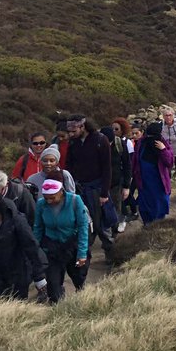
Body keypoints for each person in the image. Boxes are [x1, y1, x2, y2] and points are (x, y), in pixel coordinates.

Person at [64, 116, 114, 263]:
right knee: (83, 223)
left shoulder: (101, 140)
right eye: (69, 131)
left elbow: (107, 168)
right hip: (79, 189)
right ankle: (83, 256)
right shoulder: (73, 143)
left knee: (102, 225)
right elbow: (69, 165)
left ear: (82, 127)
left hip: (97, 188)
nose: (71, 134)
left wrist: (104, 192)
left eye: (73, 131)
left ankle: (112, 255)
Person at [33, 179, 90, 303]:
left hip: (72, 245)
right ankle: (57, 307)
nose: (49, 201)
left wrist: (82, 253)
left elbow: (83, 227)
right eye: (46, 198)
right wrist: (35, 251)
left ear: (61, 192)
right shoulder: (41, 204)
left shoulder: (75, 201)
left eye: (52, 198)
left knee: (79, 278)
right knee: (53, 285)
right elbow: (38, 227)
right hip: (52, 247)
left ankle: (83, 302)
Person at [131, 121, 173, 224]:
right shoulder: (142, 143)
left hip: (159, 184)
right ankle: (147, 227)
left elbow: (169, 162)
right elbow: (135, 161)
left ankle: (157, 229)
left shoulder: (163, 143)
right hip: (144, 184)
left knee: (159, 208)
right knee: (145, 208)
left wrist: (163, 150)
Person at [101, 124, 131, 237]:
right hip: (100, 183)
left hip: (116, 183)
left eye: (109, 143)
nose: (107, 145)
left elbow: (127, 165)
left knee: (115, 209)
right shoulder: (97, 145)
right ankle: (103, 233)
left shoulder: (120, 144)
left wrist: (126, 186)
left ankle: (113, 234)